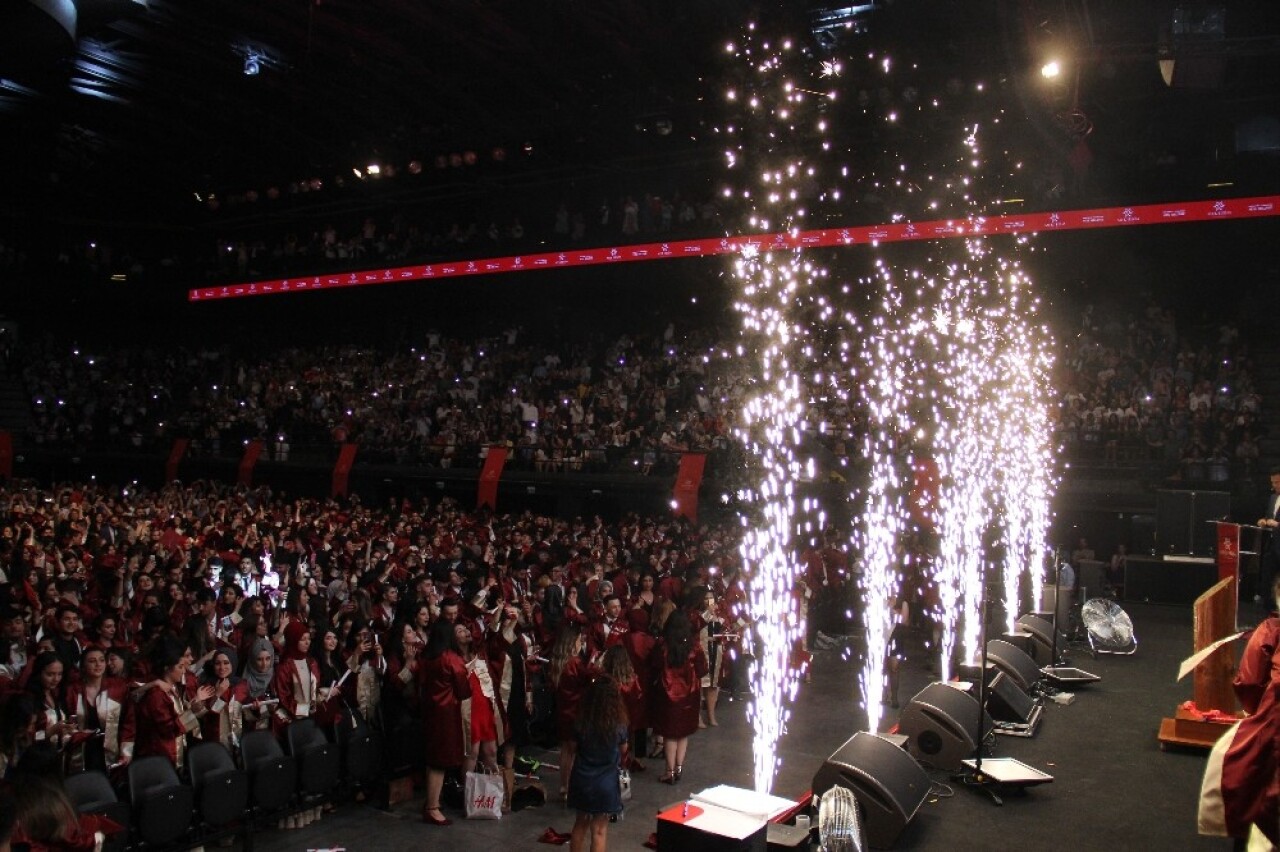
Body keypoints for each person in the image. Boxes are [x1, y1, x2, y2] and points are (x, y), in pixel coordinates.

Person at [1199, 574, 1280, 847]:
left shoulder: (1272, 629)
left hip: (1275, 728)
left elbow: (1249, 682)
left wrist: (1256, 712)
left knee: (1241, 770)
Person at [417, 618, 469, 827]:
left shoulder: (427, 658)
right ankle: (433, 807)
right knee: (440, 762)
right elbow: (464, 690)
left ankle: (431, 800)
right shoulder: (450, 659)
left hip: (429, 711)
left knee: (432, 760)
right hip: (446, 714)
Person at [567, 675, 629, 852]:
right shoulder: (618, 724)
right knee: (599, 831)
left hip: (582, 778)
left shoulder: (581, 721)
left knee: (580, 824)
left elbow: (572, 748)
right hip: (606, 783)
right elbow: (624, 749)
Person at [651, 613, 707, 784]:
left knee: (670, 735)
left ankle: (669, 772)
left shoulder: (662, 646)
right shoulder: (694, 647)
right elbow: (703, 670)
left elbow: (654, 665)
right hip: (689, 695)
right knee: (684, 733)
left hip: (667, 696)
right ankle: (679, 768)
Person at [547, 623, 593, 800]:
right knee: (575, 752)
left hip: (562, 711)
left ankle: (564, 786)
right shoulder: (575, 662)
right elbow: (590, 676)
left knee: (565, 751)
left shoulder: (557, 662)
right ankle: (573, 787)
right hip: (576, 712)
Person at [1256, 467, 1280, 603]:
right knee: (1267, 579)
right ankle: (1268, 610)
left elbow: (1276, 522)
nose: (1274, 485)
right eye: (1273, 482)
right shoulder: (1272, 497)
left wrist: (1277, 525)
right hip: (1271, 545)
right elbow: (1268, 516)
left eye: (1277, 482)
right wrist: (1264, 521)